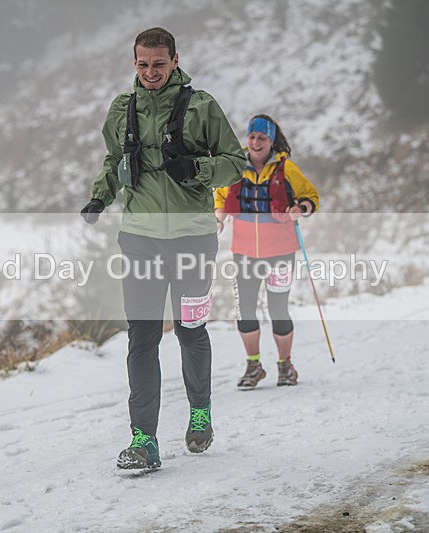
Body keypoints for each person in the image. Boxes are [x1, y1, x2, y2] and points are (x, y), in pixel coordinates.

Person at [80, 28, 245, 469]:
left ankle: (200, 414)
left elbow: (236, 164)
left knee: (191, 331)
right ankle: (143, 440)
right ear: (134, 63)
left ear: (175, 60)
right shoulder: (121, 110)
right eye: (142, 64)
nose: (150, 73)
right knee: (143, 337)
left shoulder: (202, 105)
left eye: (158, 63)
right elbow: (115, 162)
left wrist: (197, 166)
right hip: (140, 238)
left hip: (193, 238)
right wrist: (101, 195)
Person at [215, 115, 319, 389]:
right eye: (252, 137)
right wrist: (219, 219)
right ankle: (254, 366)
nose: (256, 142)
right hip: (245, 252)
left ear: (271, 141)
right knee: (245, 311)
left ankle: (285, 366)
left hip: (281, 252)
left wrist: (301, 209)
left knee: (278, 309)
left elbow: (311, 197)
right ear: (246, 139)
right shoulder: (235, 167)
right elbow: (222, 199)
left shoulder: (287, 169)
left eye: (262, 138)